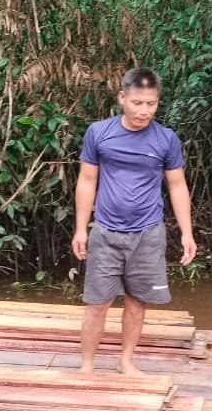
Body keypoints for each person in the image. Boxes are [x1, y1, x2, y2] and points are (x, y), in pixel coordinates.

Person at [72, 67, 197, 375]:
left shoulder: (166, 139)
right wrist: (80, 229)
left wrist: (187, 232)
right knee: (97, 304)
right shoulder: (99, 133)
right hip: (106, 232)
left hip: (148, 233)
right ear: (122, 98)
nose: (144, 111)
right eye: (137, 103)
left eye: (151, 104)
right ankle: (86, 366)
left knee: (137, 301)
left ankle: (125, 362)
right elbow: (87, 181)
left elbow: (177, 185)